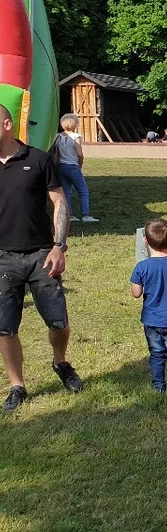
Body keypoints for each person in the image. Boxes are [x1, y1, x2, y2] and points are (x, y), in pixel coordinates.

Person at [0, 103, 82, 412]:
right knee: (5, 327)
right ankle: (17, 385)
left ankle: (60, 362)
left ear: (7, 125)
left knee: (59, 321)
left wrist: (59, 245)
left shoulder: (37, 159)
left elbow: (59, 202)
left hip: (40, 255)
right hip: (2, 259)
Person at [130, 219, 167, 399]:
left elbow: (136, 293)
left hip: (151, 320)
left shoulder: (142, 266)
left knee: (157, 354)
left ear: (146, 242)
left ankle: (159, 387)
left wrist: (138, 283)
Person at [54, 114, 98, 223]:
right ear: (74, 124)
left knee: (66, 192)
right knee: (83, 191)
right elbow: (79, 153)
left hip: (61, 165)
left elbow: (56, 154)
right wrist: (80, 164)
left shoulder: (58, 136)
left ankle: (70, 215)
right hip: (72, 165)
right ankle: (85, 215)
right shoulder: (76, 136)